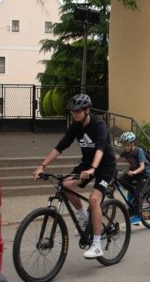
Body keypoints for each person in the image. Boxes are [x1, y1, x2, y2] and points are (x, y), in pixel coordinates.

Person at [33, 94, 116, 259]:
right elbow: (60, 146)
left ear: (87, 110)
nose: (75, 114)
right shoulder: (76, 126)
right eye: (72, 112)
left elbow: (100, 148)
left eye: (78, 111)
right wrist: (42, 165)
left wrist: (93, 168)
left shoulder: (100, 125)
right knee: (64, 185)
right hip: (86, 164)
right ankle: (84, 217)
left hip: (105, 166)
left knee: (93, 200)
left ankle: (97, 245)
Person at [118, 131, 150, 225]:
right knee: (121, 180)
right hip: (134, 172)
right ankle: (133, 193)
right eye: (124, 145)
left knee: (138, 194)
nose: (126, 147)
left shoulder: (138, 151)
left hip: (143, 173)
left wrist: (134, 172)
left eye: (128, 145)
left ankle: (138, 216)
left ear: (133, 144)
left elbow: (142, 166)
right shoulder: (126, 151)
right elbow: (116, 158)